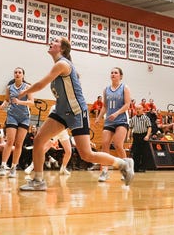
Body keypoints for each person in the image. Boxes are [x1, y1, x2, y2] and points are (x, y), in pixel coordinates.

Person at [17, 37, 134, 191]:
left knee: (87, 154)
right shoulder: (60, 66)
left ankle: (123, 163)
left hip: (77, 112)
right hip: (61, 112)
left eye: (56, 41)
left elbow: (40, 85)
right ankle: (38, 180)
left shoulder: (62, 64)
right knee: (39, 140)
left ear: (62, 49)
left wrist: (23, 92)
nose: (51, 42)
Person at [96, 67, 131, 182]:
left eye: (115, 73)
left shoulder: (124, 88)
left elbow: (127, 105)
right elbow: (105, 106)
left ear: (120, 76)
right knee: (105, 144)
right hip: (109, 120)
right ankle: (104, 171)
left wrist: (116, 113)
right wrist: (99, 117)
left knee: (117, 144)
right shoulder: (106, 89)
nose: (113, 74)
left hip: (121, 120)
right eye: (111, 72)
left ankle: (126, 169)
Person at [0, 67, 34, 178]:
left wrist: (19, 101)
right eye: (15, 72)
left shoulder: (28, 87)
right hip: (12, 116)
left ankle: (14, 167)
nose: (17, 74)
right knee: (10, 142)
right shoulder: (9, 87)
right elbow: (7, 99)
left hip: (24, 117)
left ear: (23, 75)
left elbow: (32, 103)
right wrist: (4, 104)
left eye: (19, 72)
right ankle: (3, 166)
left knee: (19, 144)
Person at [128, 104, 152, 173]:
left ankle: (142, 167)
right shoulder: (133, 118)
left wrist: (147, 136)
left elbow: (149, 127)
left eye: (139, 109)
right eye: (137, 109)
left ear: (142, 110)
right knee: (135, 153)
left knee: (144, 153)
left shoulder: (146, 118)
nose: (138, 110)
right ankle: (135, 168)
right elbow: (130, 128)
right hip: (135, 136)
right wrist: (128, 136)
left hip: (143, 135)